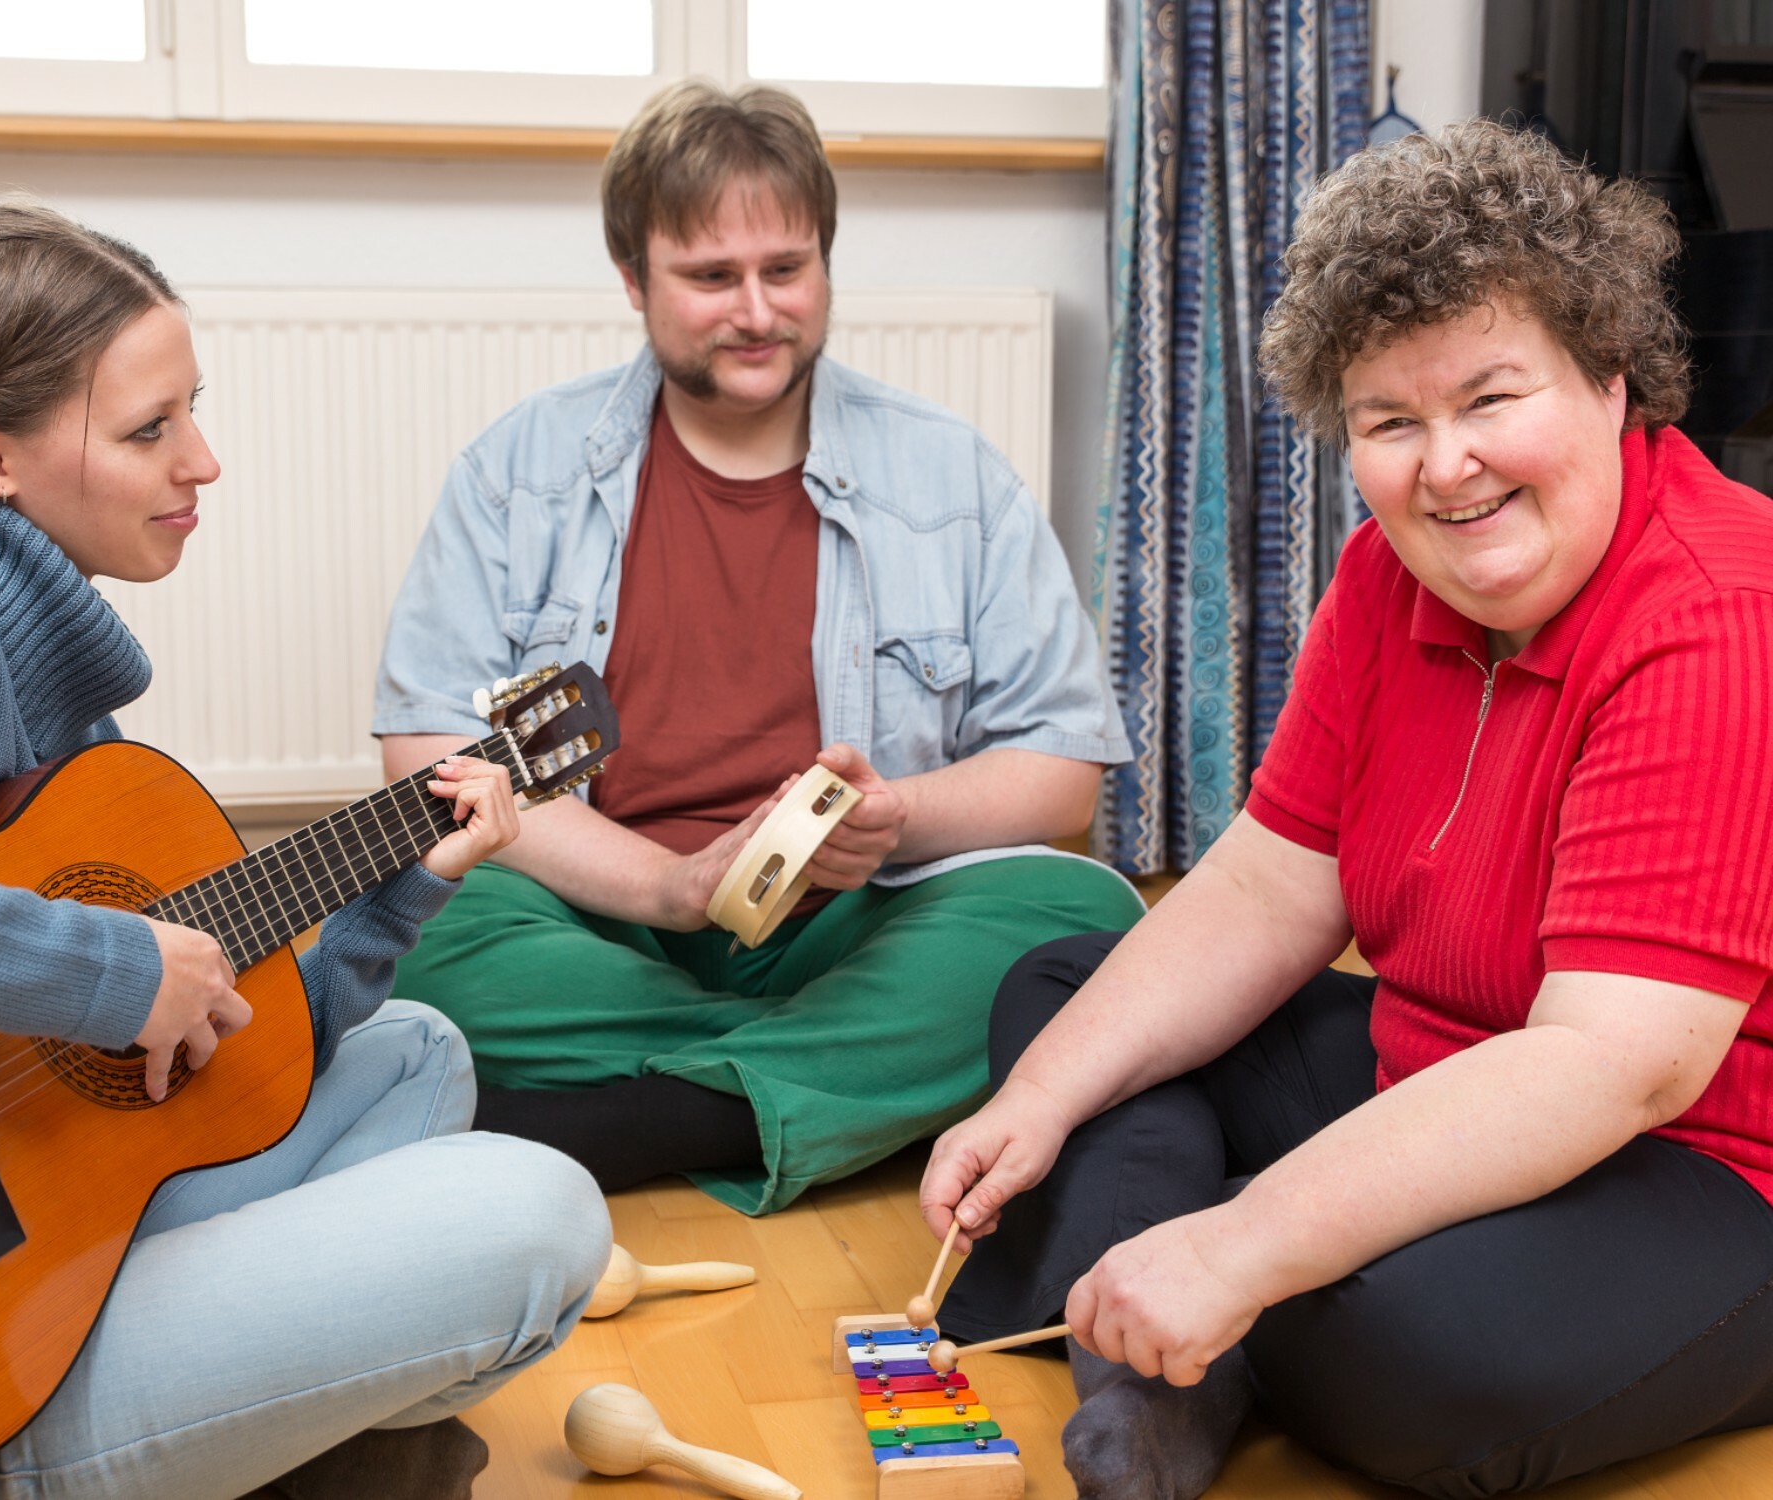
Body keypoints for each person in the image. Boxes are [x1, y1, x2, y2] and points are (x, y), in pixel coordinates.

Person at [921, 120, 1773, 1499]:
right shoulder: (1385, 575)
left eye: (1489, 398)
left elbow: (1614, 1067)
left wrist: (1243, 1242)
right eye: (1389, 423)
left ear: (1609, 376)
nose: (1445, 467)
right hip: (1429, 1071)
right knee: (1063, 999)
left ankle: (1167, 1318)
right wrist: (1037, 1102)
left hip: (1706, 1165)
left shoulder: (1723, 612)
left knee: (1402, 1349)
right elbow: (1267, 888)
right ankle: (1169, 1349)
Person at [0, 202, 610, 1500]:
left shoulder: (48, 689)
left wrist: (389, 902)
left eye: (191, 412)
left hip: (23, 1228)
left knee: (415, 1053)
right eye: (148, 429)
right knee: (540, 1215)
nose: (203, 462)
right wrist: (109, 973)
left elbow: (204, 1074)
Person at [372, 80, 1144, 1216]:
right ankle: (827, 1079)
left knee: (1086, 919)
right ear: (633, 279)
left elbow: (1062, 770)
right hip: (601, 917)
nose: (755, 312)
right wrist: (669, 885)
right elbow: (428, 754)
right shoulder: (518, 469)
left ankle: (649, 1114)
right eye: (709, 278)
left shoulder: (952, 474)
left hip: (848, 929)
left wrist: (896, 817)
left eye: (786, 269)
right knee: (409, 913)